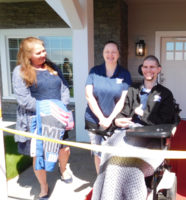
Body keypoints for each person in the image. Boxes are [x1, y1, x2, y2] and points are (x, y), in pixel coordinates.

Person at [91, 55, 178, 200]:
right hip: (127, 133)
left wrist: (142, 114)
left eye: (152, 67)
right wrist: (118, 120)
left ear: (158, 69)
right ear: (141, 69)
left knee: (131, 169)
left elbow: (165, 121)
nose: (148, 70)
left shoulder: (165, 94)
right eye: (145, 67)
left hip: (150, 137)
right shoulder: (133, 90)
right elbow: (123, 112)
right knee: (110, 164)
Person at [12, 37, 73, 200]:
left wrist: (61, 106)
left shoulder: (52, 67)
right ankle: (44, 186)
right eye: (39, 52)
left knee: (63, 149)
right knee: (39, 154)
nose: (43, 54)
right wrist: (47, 109)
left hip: (57, 118)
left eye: (44, 50)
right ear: (28, 55)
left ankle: (63, 169)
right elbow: (24, 100)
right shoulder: (19, 71)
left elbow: (65, 88)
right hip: (36, 121)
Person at [84, 41, 132, 174]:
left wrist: (109, 119)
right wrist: (101, 118)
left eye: (114, 52)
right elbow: (89, 96)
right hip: (94, 120)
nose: (110, 55)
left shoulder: (124, 74)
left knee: (113, 152)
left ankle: (111, 178)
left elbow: (123, 100)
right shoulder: (94, 71)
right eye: (107, 51)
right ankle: (100, 179)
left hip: (114, 121)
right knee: (98, 152)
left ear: (118, 54)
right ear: (103, 54)